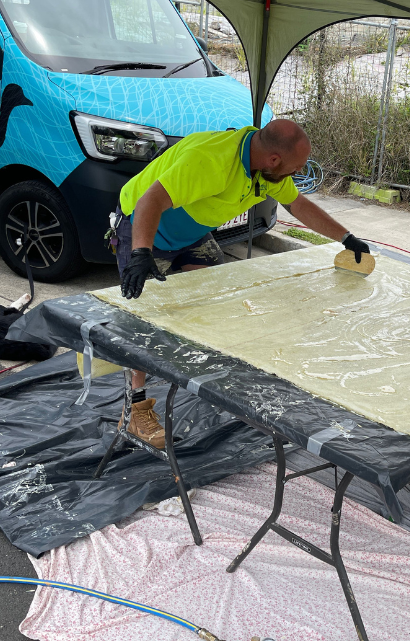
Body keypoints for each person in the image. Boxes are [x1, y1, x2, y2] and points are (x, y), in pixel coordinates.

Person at [114, 119, 370, 447]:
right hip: (142, 227)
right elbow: (150, 200)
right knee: (140, 321)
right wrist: (140, 253)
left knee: (220, 299)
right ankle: (135, 409)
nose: (298, 173)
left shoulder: (265, 170)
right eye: (297, 167)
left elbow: (299, 205)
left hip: (189, 235)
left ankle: (212, 379)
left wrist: (346, 238)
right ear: (274, 160)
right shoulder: (211, 160)